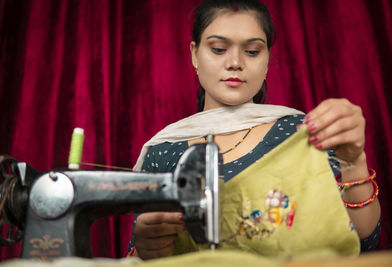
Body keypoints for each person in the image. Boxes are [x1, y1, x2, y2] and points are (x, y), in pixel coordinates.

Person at [130, 0, 381, 260]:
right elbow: (137, 256)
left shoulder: (301, 132)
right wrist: (146, 248)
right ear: (194, 54)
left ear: (267, 59)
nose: (235, 62)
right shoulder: (163, 151)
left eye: (251, 51)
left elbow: (362, 242)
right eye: (218, 49)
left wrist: (354, 161)